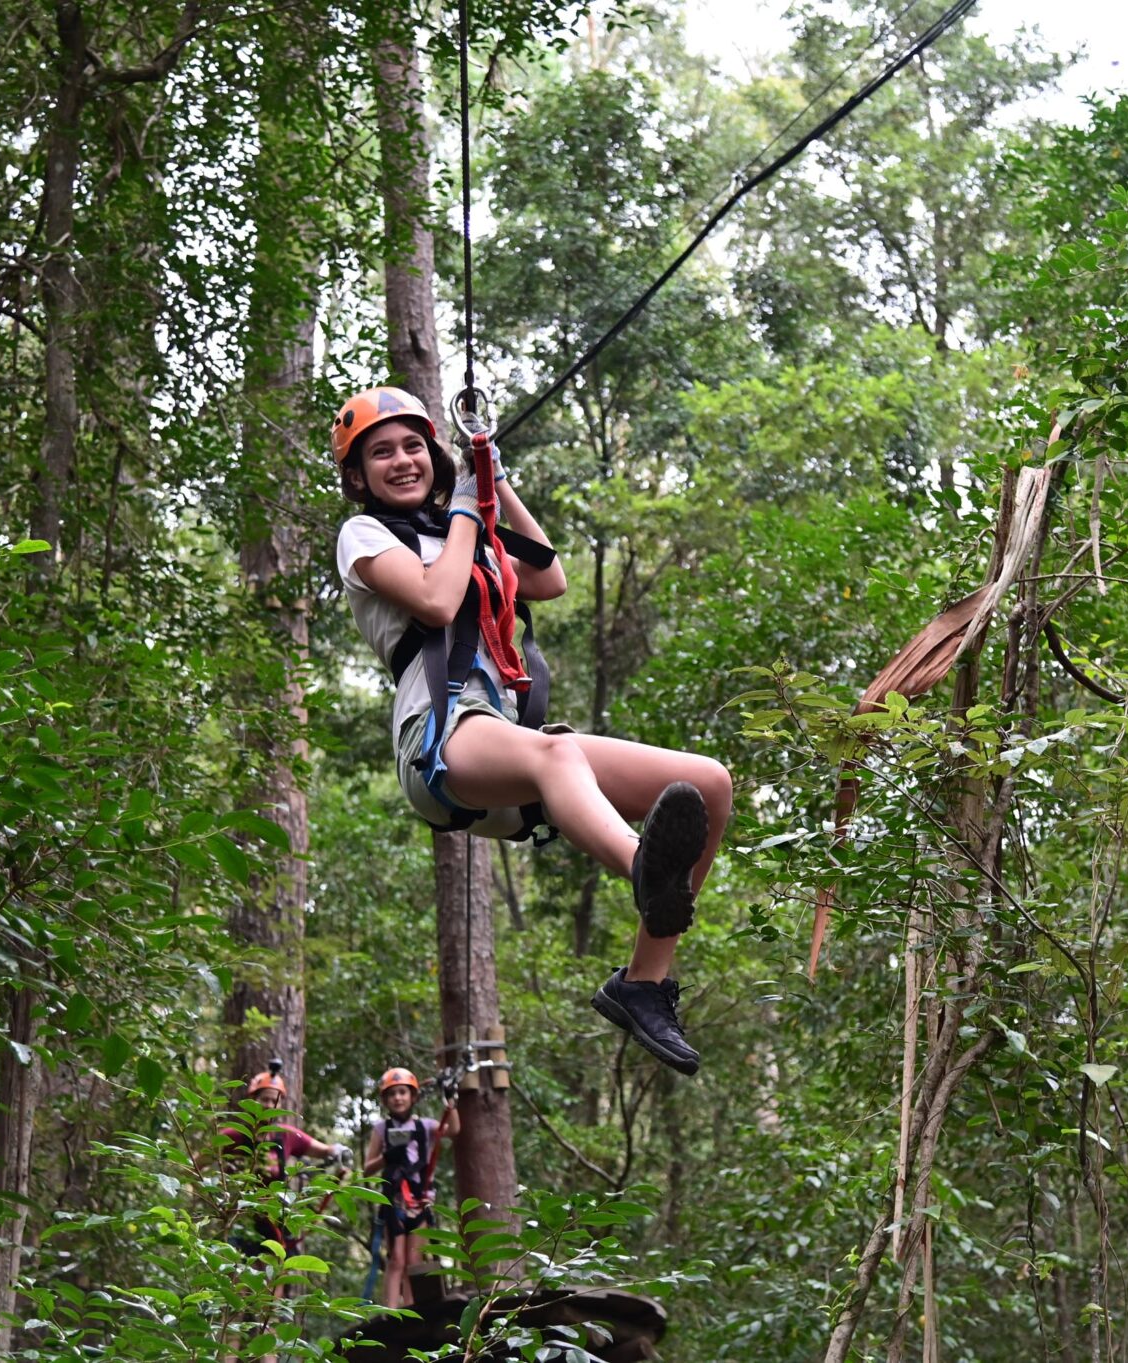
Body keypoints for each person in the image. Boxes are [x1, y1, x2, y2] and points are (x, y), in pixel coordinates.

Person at [332, 386, 734, 1074]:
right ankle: (641, 865)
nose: (401, 460)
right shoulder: (364, 536)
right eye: (380, 452)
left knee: (708, 783)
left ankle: (643, 981)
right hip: (441, 735)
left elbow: (548, 578)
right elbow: (436, 598)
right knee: (556, 751)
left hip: (511, 745)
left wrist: (494, 479)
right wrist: (465, 504)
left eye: (412, 445)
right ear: (357, 476)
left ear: (433, 452)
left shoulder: (462, 529)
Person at [218, 1065, 351, 1260]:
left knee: (278, 1270)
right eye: (265, 1099)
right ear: (252, 1100)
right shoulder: (233, 1136)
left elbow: (323, 1150)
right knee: (239, 1276)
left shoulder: (286, 1136)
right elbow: (197, 1164)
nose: (270, 1105)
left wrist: (339, 1151)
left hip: (275, 1219)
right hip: (241, 1219)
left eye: (275, 1100)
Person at [364, 1066, 458, 1311]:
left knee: (414, 1260)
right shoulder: (381, 1129)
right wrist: (387, 1157)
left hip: (419, 1200)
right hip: (393, 1201)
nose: (398, 1098)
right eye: (392, 1094)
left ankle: (411, 1309)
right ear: (385, 1100)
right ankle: (391, 1311)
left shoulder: (425, 1126)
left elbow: (454, 1131)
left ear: (413, 1096)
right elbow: (366, 1169)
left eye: (403, 1092)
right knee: (396, 1259)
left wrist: (451, 1102)